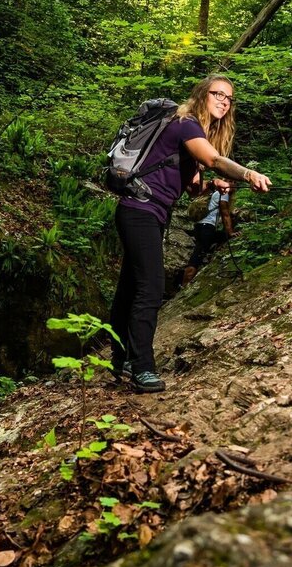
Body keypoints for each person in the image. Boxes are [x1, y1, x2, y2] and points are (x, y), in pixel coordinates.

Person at [110, 75, 270, 392]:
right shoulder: (187, 123)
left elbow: (190, 186)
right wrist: (247, 173)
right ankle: (142, 367)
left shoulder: (191, 130)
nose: (224, 100)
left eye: (229, 97)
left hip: (147, 212)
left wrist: (212, 185)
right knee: (151, 287)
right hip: (140, 211)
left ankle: (121, 360)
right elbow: (212, 159)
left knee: (130, 286)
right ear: (202, 94)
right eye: (218, 94)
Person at [180, 188, 234, 287]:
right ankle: (184, 284)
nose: (232, 184)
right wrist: (230, 232)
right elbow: (225, 214)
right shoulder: (224, 193)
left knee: (198, 252)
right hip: (207, 228)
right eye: (230, 181)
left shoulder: (214, 193)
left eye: (234, 182)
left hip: (199, 227)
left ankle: (184, 283)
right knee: (197, 257)